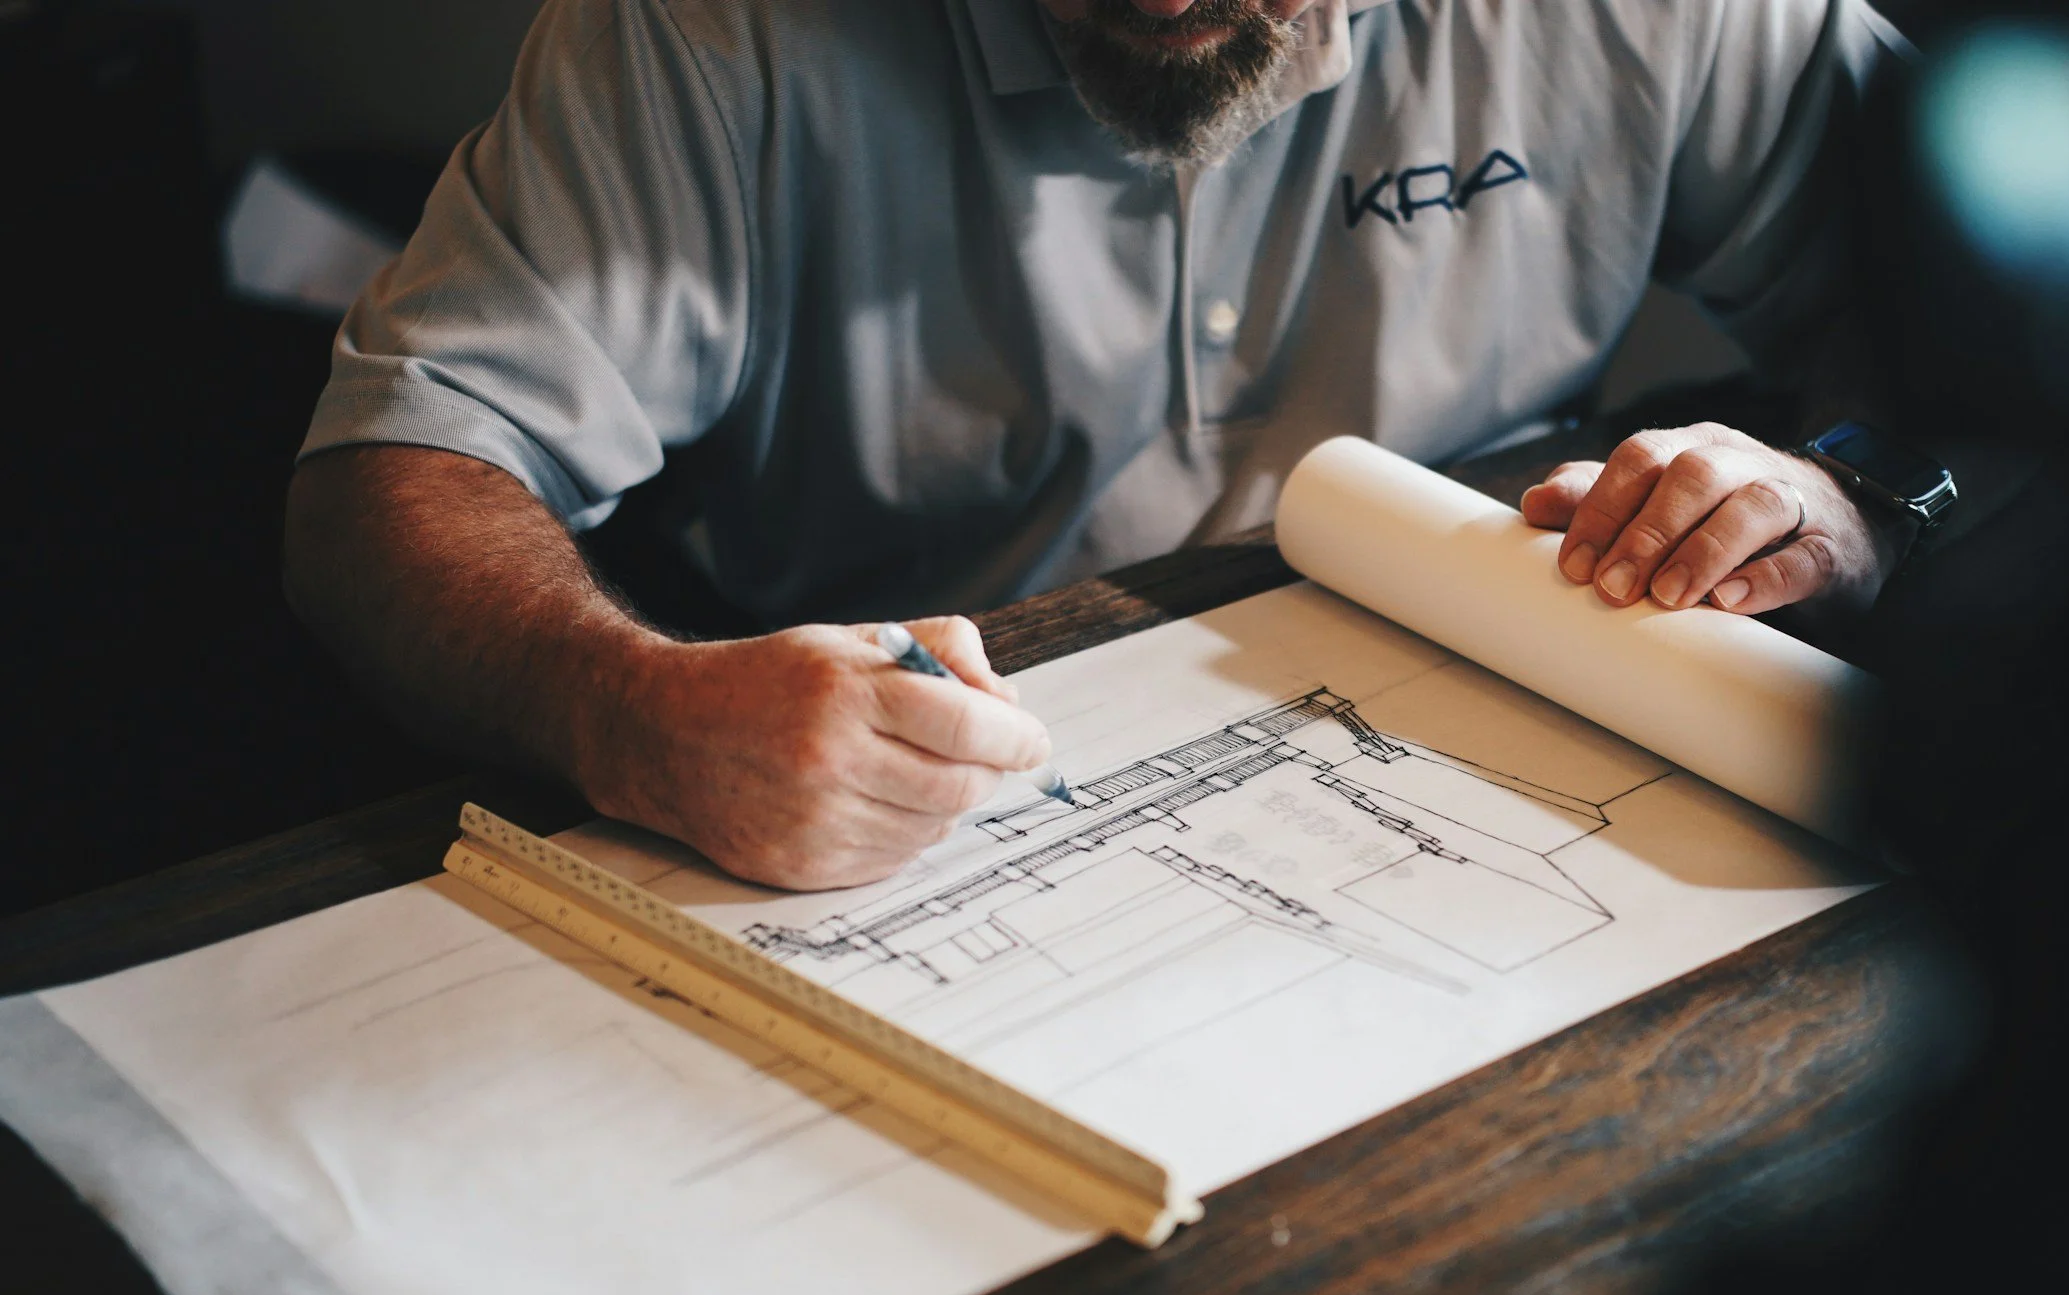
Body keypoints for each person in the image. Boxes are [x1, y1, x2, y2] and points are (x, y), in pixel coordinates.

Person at [284, 0, 1909, 891]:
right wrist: (625, 708)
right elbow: (394, 473)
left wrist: (1850, 488)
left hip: (1540, 804)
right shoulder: (710, 37)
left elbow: (2052, 342)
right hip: (911, 813)